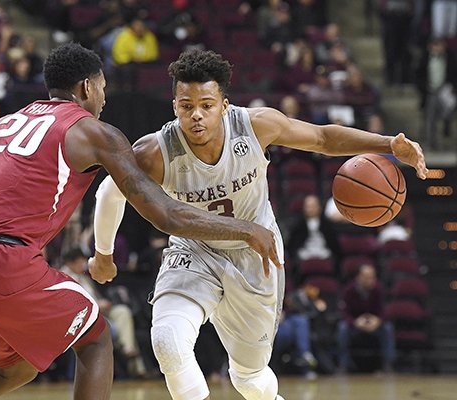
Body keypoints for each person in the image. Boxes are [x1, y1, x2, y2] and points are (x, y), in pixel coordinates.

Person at [0, 43, 281, 400]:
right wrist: (245, 229)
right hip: (1, 264)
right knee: (97, 338)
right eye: (102, 87)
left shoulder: (8, 122)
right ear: (87, 86)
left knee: (19, 366)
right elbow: (165, 213)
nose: (104, 96)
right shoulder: (94, 132)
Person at [92, 49, 428, 400]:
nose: (196, 116)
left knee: (249, 378)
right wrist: (103, 253)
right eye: (186, 106)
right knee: (168, 341)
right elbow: (110, 193)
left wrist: (388, 144)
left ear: (224, 104)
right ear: (174, 106)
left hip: (255, 253)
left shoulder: (255, 125)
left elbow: (323, 138)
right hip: (194, 251)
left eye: (206, 105)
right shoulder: (157, 151)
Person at [59, 247, 146, 378]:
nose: (83, 265)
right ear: (70, 263)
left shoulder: (84, 277)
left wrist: (102, 302)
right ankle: (134, 365)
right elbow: (70, 305)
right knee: (115, 328)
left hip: (100, 311)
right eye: (80, 262)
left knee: (123, 312)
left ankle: (129, 351)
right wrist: (96, 305)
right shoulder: (64, 278)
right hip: (83, 317)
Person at [337, 264, 396, 373]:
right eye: (367, 277)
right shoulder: (348, 290)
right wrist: (355, 322)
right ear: (358, 278)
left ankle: (388, 364)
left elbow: (385, 311)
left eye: (373, 277)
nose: (371, 280)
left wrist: (377, 321)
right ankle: (343, 365)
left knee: (388, 328)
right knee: (342, 328)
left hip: (374, 325)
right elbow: (344, 313)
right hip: (355, 325)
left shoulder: (378, 289)